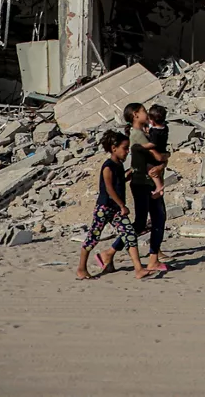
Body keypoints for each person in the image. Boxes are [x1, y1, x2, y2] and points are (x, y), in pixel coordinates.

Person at [77, 130, 153, 280]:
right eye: (124, 148)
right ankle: (81, 268)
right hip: (104, 208)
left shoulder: (118, 165)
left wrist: (127, 176)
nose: (126, 152)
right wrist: (122, 205)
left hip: (116, 209)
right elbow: (109, 188)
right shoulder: (108, 166)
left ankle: (138, 269)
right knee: (93, 236)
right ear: (114, 148)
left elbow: (117, 182)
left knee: (129, 234)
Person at [113, 103, 169, 273]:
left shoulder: (142, 133)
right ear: (136, 115)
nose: (147, 113)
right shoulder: (138, 136)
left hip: (146, 181)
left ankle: (154, 256)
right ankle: (111, 252)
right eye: (144, 111)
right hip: (144, 182)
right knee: (151, 220)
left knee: (153, 220)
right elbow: (157, 156)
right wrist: (165, 159)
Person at [146, 104, 171, 199]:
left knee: (151, 171)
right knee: (158, 172)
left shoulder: (155, 133)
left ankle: (159, 187)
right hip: (163, 151)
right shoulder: (165, 128)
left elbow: (152, 144)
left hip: (156, 154)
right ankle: (160, 188)